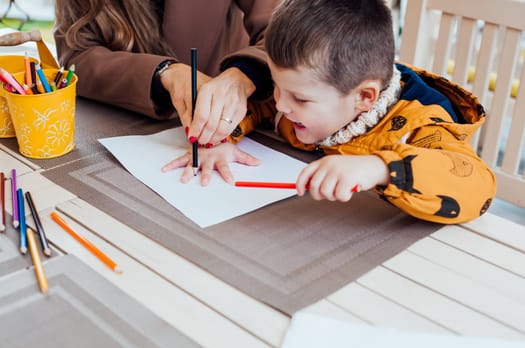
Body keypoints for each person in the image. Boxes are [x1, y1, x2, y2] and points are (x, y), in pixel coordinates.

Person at [163, 0, 497, 224]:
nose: (280, 104)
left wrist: (378, 168)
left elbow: (478, 186)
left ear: (364, 97)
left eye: (300, 100)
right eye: (278, 87)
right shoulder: (306, 88)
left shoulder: (421, 125)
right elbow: (259, 105)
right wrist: (222, 136)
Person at [53, 0, 278, 146]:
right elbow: (77, 56)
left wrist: (243, 74)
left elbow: (286, 29)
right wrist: (163, 73)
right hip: (123, 122)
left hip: (231, 117)